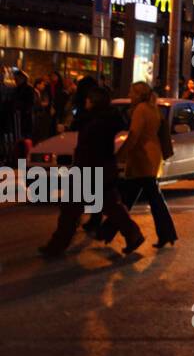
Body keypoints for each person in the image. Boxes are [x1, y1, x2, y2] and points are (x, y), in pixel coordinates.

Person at [38, 87, 145, 258]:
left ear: (94, 102)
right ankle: (133, 234)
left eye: (88, 99)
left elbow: (90, 148)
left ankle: (57, 245)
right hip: (100, 169)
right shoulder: (104, 119)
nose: (86, 102)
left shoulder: (97, 122)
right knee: (109, 205)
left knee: (71, 208)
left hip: (90, 170)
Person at [103, 81, 178, 249]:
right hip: (151, 156)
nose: (129, 95)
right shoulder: (153, 108)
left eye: (131, 92)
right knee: (147, 198)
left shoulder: (141, 110)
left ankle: (114, 233)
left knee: (129, 198)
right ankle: (166, 234)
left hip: (142, 158)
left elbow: (134, 136)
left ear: (138, 94)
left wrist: (118, 157)